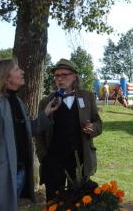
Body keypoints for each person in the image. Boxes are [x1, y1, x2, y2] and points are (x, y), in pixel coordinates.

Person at [0, 58, 55, 211]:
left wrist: (46, 113)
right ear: (6, 77)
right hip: (1, 177)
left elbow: (29, 129)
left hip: (19, 172)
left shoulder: (18, 102)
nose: (22, 72)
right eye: (17, 69)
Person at [35, 58, 103, 202]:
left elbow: (98, 123)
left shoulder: (88, 97)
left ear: (73, 77)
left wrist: (93, 128)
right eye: (57, 76)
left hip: (80, 159)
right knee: (54, 200)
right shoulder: (46, 101)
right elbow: (39, 132)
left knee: (79, 200)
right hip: (53, 160)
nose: (59, 79)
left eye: (64, 75)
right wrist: (43, 156)